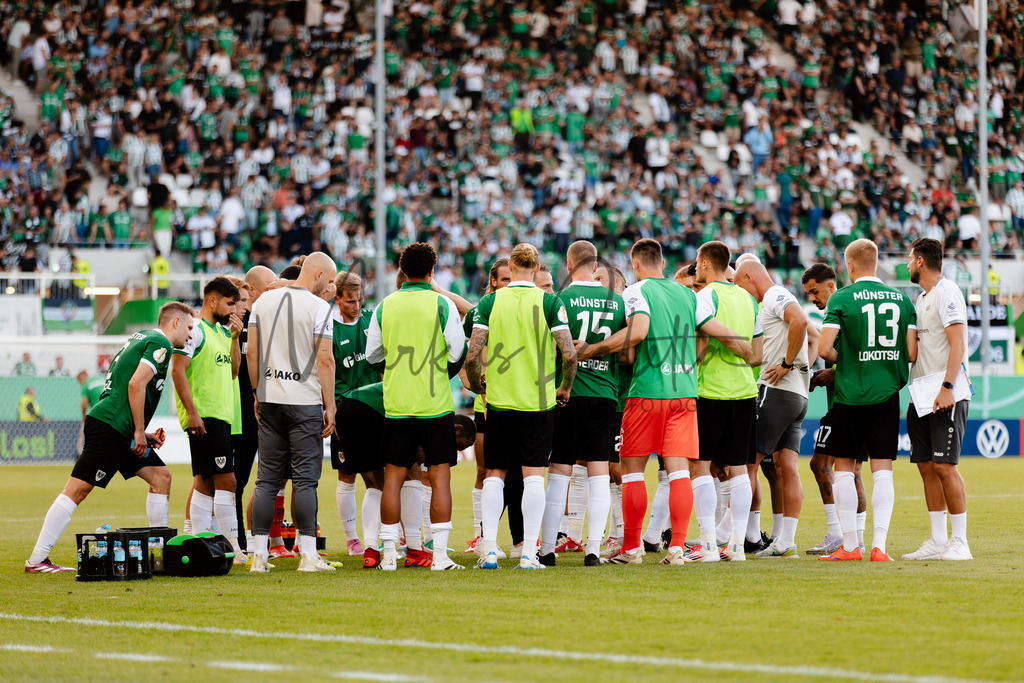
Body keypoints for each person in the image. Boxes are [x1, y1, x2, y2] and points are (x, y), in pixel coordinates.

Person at [576, 238, 752, 566]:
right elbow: (716, 330)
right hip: (683, 395)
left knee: (631, 471)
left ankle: (632, 548)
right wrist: (746, 350)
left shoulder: (637, 292)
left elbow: (639, 331)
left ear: (636, 264)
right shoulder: (689, 294)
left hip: (646, 394)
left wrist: (592, 349)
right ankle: (677, 548)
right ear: (662, 263)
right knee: (679, 473)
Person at [25, 303, 194, 573]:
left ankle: (157, 556)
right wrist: (138, 431)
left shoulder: (141, 337)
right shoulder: (159, 342)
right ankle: (37, 560)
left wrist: (142, 433)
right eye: (188, 327)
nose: (190, 334)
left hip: (120, 427)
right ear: (174, 323)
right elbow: (135, 384)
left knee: (161, 477)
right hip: (112, 427)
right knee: (77, 490)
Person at [466, 243, 578, 570]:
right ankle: (529, 553)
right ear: (537, 266)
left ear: (511, 267)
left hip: (500, 401)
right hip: (539, 401)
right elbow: (569, 354)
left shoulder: (489, 301)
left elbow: (473, 356)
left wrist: (479, 389)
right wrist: (565, 387)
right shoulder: (549, 301)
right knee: (532, 477)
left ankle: (488, 550)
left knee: (494, 475)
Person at [365, 243, 467, 571]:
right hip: (435, 403)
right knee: (439, 477)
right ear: (432, 271)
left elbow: (372, 356)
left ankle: (389, 556)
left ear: (402, 269)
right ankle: (439, 557)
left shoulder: (385, 305)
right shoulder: (442, 303)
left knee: (393, 477)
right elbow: (457, 351)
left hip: (397, 403)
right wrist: (440, 373)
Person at [818, 239, 917, 562]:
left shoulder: (841, 298)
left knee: (844, 468)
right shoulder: (903, 301)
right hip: (887, 392)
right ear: (876, 263)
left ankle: (850, 547)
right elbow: (912, 353)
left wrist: (847, 361)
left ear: (849, 266)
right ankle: (880, 547)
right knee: (882, 470)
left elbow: (824, 349)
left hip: (849, 394)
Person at [247, 252, 338, 573]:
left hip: (270, 398)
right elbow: (325, 359)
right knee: (304, 480)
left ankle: (258, 556)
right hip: (305, 401)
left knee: (266, 481)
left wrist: (258, 391)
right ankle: (308, 557)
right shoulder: (319, 308)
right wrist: (331, 406)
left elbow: (252, 352)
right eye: (328, 281)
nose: (329, 288)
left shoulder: (262, 303)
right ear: (316, 275)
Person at [539, 241, 626, 567]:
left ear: (569, 263)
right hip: (604, 395)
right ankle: (592, 550)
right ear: (595, 265)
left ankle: (547, 549)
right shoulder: (616, 302)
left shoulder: (560, 299)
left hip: (568, 393)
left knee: (559, 470)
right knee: (599, 474)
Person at [736, 258, 819, 558]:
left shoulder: (773, 295)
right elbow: (812, 336)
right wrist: (801, 366)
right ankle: (785, 542)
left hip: (776, 391)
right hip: (797, 396)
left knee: (747, 463)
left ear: (748, 276)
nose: (740, 290)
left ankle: (733, 540)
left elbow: (800, 321)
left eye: (739, 283)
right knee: (787, 467)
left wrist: (786, 363)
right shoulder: (773, 301)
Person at [688, 241, 764, 562]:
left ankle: (707, 545)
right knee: (740, 470)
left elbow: (699, 351)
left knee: (699, 465)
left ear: (705, 263)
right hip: (745, 391)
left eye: (697, 262)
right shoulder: (749, 300)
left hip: (712, 391)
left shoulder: (704, 297)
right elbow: (758, 355)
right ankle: (735, 546)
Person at [903, 238, 972, 561]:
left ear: (919, 261)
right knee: (927, 467)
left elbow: (958, 344)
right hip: (921, 394)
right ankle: (937, 540)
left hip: (946, 393)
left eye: (908, 259)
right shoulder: (922, 297)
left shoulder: (947, 292)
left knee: (946, 466)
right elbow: (915, 352)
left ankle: (960, 542)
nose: (905, 265)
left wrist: (947, 386)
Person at [171, 276, 245, 562]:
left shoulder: (223, 333)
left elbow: (234, 371)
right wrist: (191, 412)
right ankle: (233, 548)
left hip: (221, 417)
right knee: (228, 482)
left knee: (206, 482)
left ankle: (201, 544)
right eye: (229, 304)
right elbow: (178, 370)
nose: (233, 310)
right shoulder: (196, 330)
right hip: (205, 416)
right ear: (212, 300)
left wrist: (236, 338)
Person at [801, 264, 868, 556]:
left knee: (830, 465)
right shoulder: (840, 312)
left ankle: (840, 533)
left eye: (815, 291)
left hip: (849, 403)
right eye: (808, 293)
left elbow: (862, 356)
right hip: (848, 402)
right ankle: (855, 536)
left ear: (831, 286)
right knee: (848, 470)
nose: (813, 298)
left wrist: (834, 372)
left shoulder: (844, 310)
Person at [328, 270, 381, 562]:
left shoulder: (373, 319)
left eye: (359, 299)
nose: (356, 306)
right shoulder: (328, 329)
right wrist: (331, 410)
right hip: (345, 410)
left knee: (381, 475)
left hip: (375, 408)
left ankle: (387, 535)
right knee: (347, 475)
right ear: (337, 299)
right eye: (350, 301)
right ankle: (352, 539)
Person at [461, 259, 511, 555]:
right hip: (486, 404)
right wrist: (468, 378)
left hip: (515, 401)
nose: (507, 284)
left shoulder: (519, 309)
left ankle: (517, 539)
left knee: (515, 473)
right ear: (492, 281)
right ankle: (480, 538)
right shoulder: (484, 309)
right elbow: (462, 349)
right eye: (503, 279)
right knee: (484, 470)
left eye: (510, 279)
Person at [235, 265, 277, 554]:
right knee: (227, 479)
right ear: (250, 291)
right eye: (268, 288)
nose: (273, 292)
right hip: (234, 411)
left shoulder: (266, 317)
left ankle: (247, 540)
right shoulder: (235, 321)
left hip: (257, 411)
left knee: (249, 478)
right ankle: (234, 540)